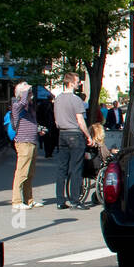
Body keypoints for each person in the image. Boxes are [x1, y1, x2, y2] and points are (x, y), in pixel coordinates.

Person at [52, 72, 93, 210]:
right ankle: (75, 200)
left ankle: (60, 200)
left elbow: (56, 120)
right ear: (70, 83)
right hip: (75, 135)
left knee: (61, 168)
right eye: (77, 81)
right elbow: (80, 121)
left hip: (62, 134)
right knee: (76, 168)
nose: (79, 83)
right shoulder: (76, 100)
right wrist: (89, 136)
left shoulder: (57, 99)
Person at [10, 82, 42, 210]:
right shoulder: (17, 106)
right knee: (21, 173)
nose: (31, 94)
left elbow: (32, 122)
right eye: (29, 92)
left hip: (32, 141)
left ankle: (28, 199)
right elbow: (22, 103)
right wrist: (24, 90)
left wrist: (38, 129)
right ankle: (16, 201)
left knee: (30, 173)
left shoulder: (29, 107)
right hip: (23, 143)